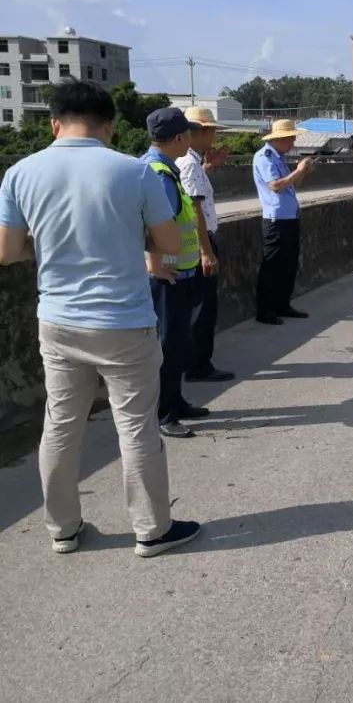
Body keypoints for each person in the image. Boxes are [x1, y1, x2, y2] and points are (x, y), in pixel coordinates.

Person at [0, 80, 200, 557]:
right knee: (135, 426)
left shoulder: (20, 173)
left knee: (61, 424)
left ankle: (63, 528)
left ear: (53, 123)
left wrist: (49, 244)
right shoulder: (134, 172)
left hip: (59, 320)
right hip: (125, 321)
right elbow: (170, 245)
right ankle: (152, 530)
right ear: (109, 126)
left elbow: (7, 253)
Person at [144, 107, 209, 439]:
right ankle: (164, 413)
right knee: (168, 346)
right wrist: (154, 262)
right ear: (181, 137)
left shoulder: (163, 169)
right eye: (189, 134)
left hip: (178, 272)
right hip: (166, 277)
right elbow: (152, 223)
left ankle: (176, 401)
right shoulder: (158, 173)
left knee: (178, 343)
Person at [176, 107, 234, 383]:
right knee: (202, 307)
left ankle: (196, 361)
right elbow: (195, 209)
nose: (213, 137)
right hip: (201, 241)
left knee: (200, 305)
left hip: (201, 239)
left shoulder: (192, 162)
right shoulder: (188, 163)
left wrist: (210, 167)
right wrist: (205, 251)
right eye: (210, 131)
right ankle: (198, 365)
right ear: (198, 132)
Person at [253, 119, 314, 325]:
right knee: (273, 266)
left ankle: (282, 304)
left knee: (288, 264)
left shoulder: (278, 158)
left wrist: (301, 172)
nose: (293, 143)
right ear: (280, 138)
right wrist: (298, 171)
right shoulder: (265, 157)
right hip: (276, 219)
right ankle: (265, 310)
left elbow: (292, 185)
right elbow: (276, 186)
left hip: (289, 217)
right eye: (291, 138)